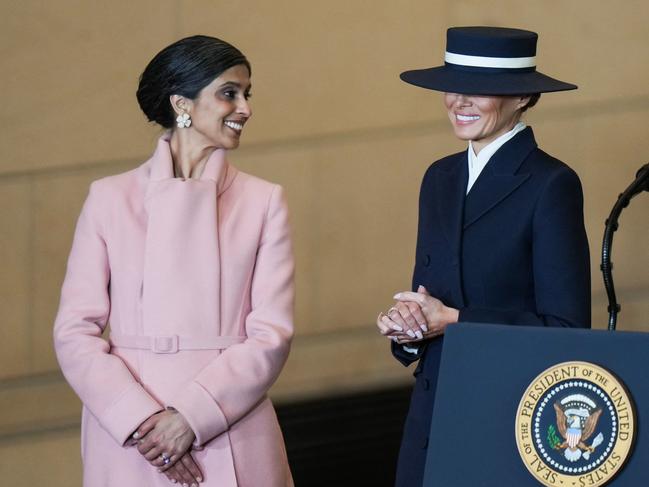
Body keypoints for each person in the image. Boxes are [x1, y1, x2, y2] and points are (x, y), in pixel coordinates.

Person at [53, 35, 294, 487]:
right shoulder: (109, 199)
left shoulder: (264, 202)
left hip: (228, 426)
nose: (245, 108)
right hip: (128, 433)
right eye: (229, 93)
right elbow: (74, 332)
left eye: (246, 94)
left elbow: (272, 335)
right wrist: (144, 423)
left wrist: (190, 416)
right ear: (182, 103)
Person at [375, 27, 591, 486]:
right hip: (432, 416)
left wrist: (453, 319)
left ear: (523, 97)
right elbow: (429, 298)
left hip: (506, 416)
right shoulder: (439, 177)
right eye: (454, 86)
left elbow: (568, 330)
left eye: (480, 89)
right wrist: (408, 325)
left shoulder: (551, 183)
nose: (460, 102)